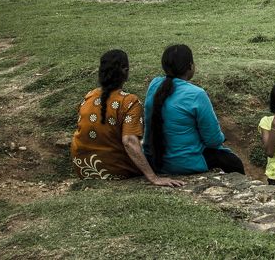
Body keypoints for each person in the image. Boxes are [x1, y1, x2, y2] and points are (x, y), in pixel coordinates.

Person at [70, 50, 183, 187]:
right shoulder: (129, 101)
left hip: (82, 168)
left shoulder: (89, 96)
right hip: (113, 170)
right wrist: (153, 178)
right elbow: (129, 141)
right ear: (126, 70)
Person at [143, 44, 245, 175]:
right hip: (181, 163)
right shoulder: (197, 94)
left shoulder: (154, 84)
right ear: (190, 66)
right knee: (233, 162)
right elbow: (213, 140)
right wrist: (221, 138)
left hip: (153, 160)